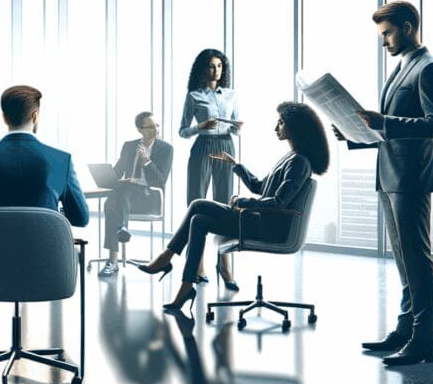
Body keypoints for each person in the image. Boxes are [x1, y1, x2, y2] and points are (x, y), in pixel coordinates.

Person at [339, 1, 433, 367]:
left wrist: (383, 120)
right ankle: (405, 330)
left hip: (411, 177)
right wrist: (354, 134)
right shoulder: (402, 68)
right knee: (403, 261)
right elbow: (386, 128)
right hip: (389, 176)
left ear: (407, 26)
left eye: (387, 33)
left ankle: (423, 341)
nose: (383, 41)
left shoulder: (430, 68)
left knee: (417, 259)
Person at [141, 102, 329, 313]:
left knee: (198, 204)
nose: (276, 128)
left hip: (267, 227)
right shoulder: (291, 158)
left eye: (281, 123)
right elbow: (260, 187)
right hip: (259, 221)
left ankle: (165, 258)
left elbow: (278, 203)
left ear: (295, 127)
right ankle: (186, 286)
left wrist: (242, 202)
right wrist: (234, 164)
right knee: (198, 220)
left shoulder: (299, 163)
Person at [0, 85, 90, 353]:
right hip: (48, 269)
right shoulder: (60, 160)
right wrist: (49, 214)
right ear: (36, 116)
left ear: (4, 117)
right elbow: (81, 217)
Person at [178, 48, 243, 282]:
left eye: (219, 66)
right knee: (196, 202)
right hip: (202, 146)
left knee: (225, 205)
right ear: (202, 69)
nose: (215, 70)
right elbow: (183, 131)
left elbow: (235, 127)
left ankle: (224, 266)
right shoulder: (194, 96)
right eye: (211, 66)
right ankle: (197, 264)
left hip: (225, 146)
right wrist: (200, 126)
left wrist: (237, 127)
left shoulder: (231, 95)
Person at [98, 111, 174, 276]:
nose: (156, 130)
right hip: (127, 196)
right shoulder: (129, 146)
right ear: (140, 129)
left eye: (157, 125)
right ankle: (117, 246)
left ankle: (113, 259)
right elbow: (118, 173)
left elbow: (161, 181)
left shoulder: (166, 149)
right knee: (113, 200)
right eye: (151, 127)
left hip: (148, 198)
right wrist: (103, 175)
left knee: (114, 199)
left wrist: (146, 160)